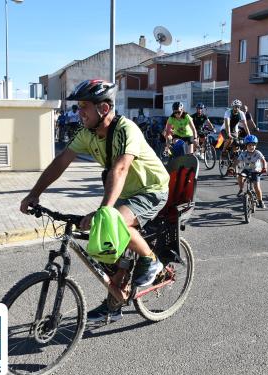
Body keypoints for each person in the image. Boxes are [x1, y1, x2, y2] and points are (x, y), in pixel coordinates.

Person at [20, 79, 170, 324]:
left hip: (151, 188)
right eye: (78, 107)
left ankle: (151, 260)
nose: (79, 113)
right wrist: (34, 193)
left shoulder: (126, 129)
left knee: (114, 220)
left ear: (104, 109)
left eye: (84, 107)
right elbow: (61, 162)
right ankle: (114, 302)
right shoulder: (87, 134)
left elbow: (120, 169)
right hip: (125, 192)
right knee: (105, 244)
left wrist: (104, 211)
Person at [234, 134, 267, 209]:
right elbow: (237, 161)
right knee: (240, 176)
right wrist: (232, 168)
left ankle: (260, 201)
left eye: (253, 145)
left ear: (255, 145)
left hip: (256, 171)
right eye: (249, 145)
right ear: (246, 145)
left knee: (256, 186)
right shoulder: (243, 153)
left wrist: (264, 168)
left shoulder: (257, 153)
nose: (251, 147)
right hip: (246, 170)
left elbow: (263, 161)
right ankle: (241, 189)